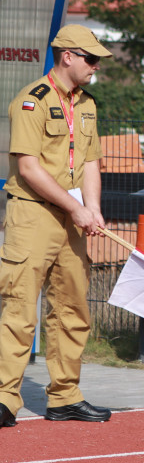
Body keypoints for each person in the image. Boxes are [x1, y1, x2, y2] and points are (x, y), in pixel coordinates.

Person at [0, 24, 113, 428]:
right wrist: (76, 207)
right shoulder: (31, 101)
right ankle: (4, 398)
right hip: (32, 214)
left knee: (72, 307)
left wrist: (93, 208)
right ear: (67, 56)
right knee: (18, 307)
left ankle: (65, 397)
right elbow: (28, 168)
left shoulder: (87, 105)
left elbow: (90, 163)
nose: (96, 66)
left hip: (73, 218)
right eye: (91, 58)